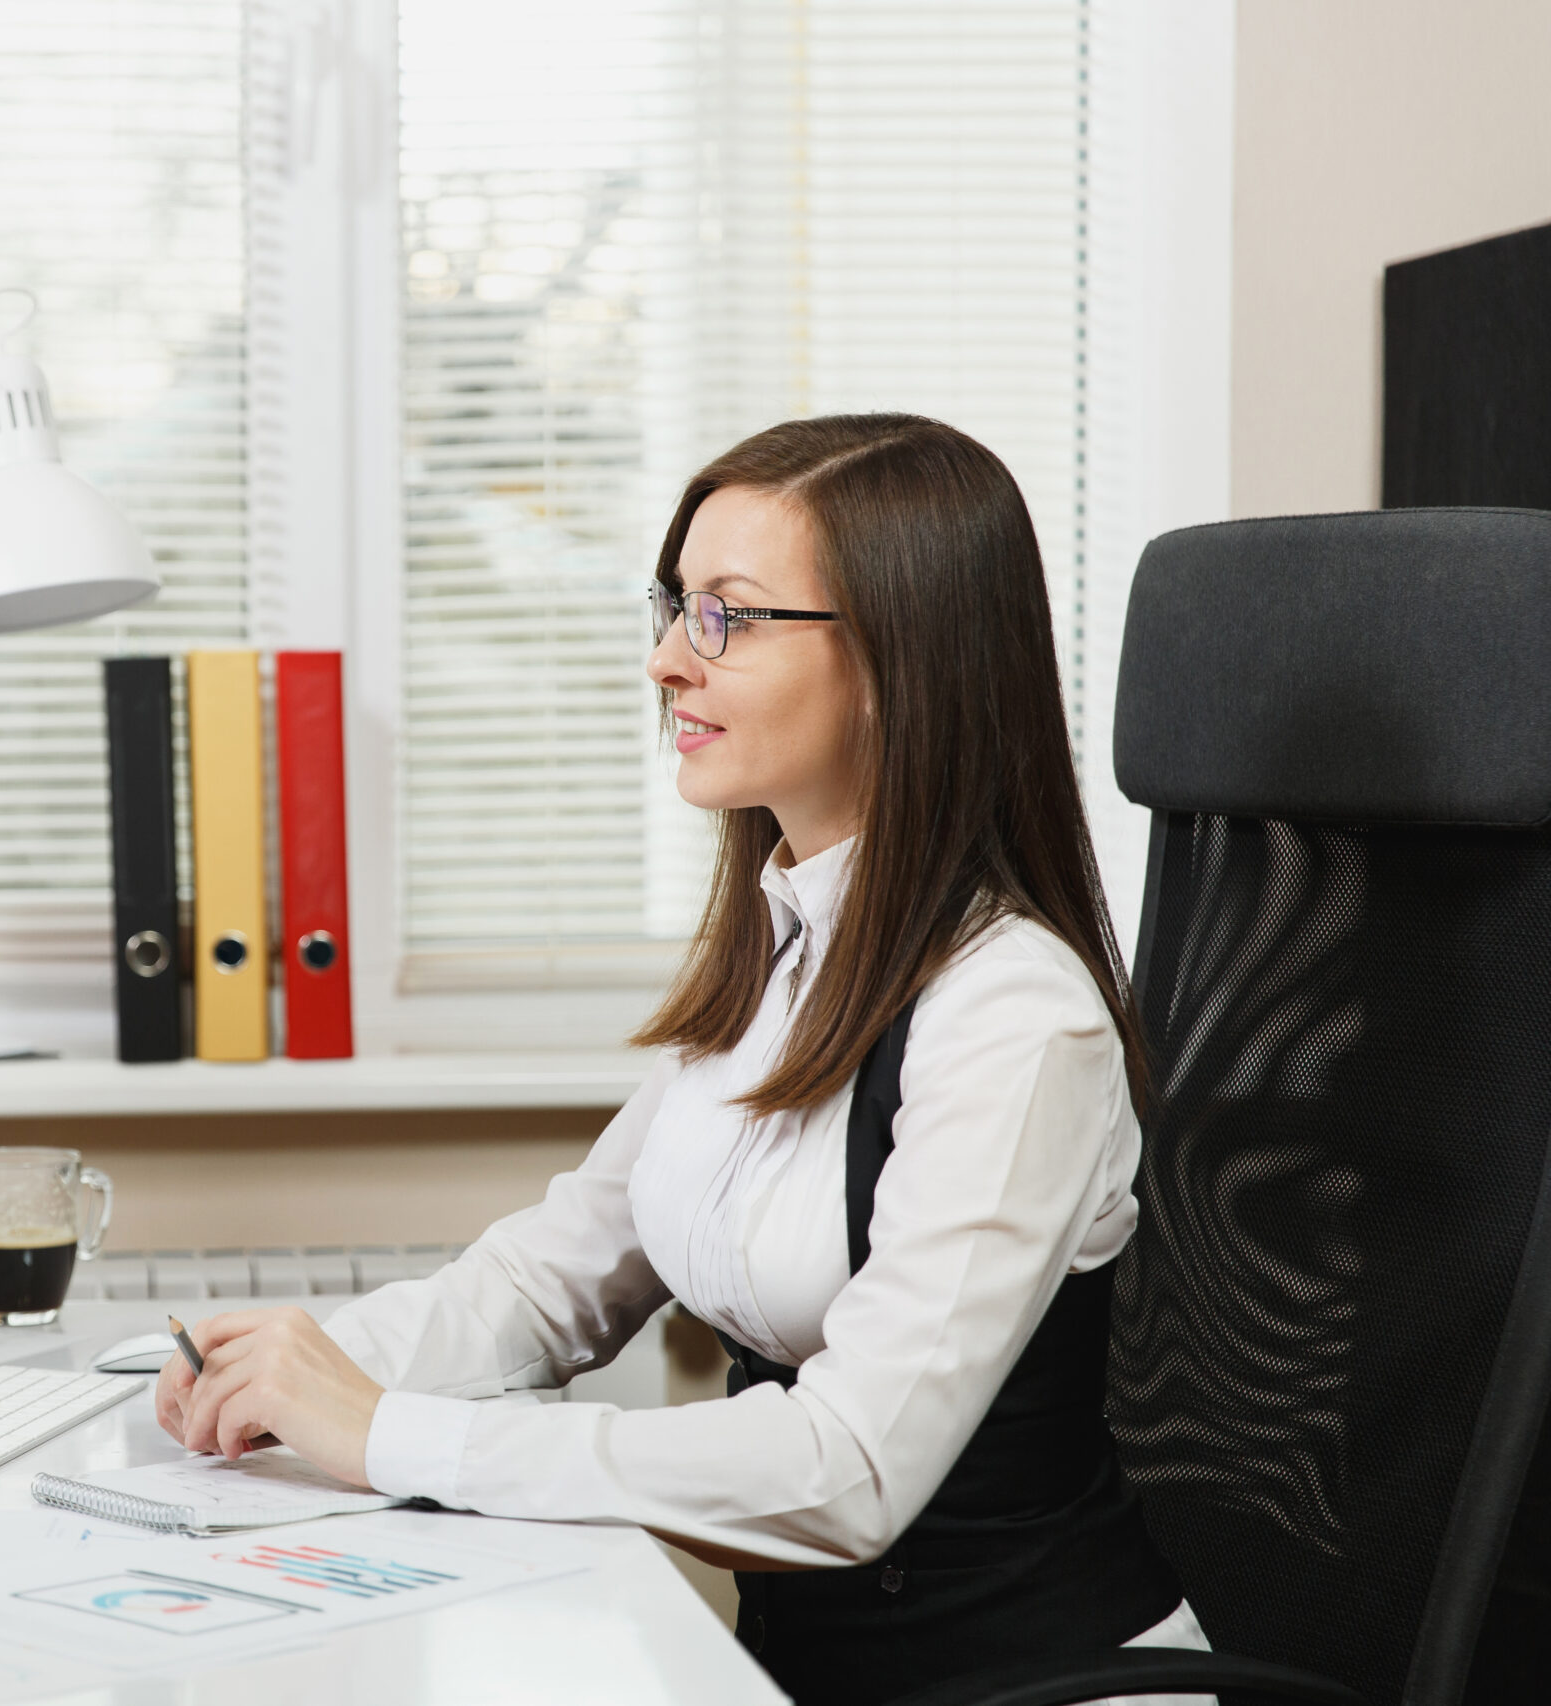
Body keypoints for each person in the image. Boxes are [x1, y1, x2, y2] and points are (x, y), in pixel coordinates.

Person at [155, 415, 1211, 1706]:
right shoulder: (786, 955)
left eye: (728, 615)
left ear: (896, 660)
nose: (666, 659)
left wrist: (386, 1432)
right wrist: (280, 1366)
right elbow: (554, 1281)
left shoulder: (1014, 1017)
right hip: (795, 1671)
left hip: (1030, 1685)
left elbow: (848, 1465)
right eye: (672, 607)